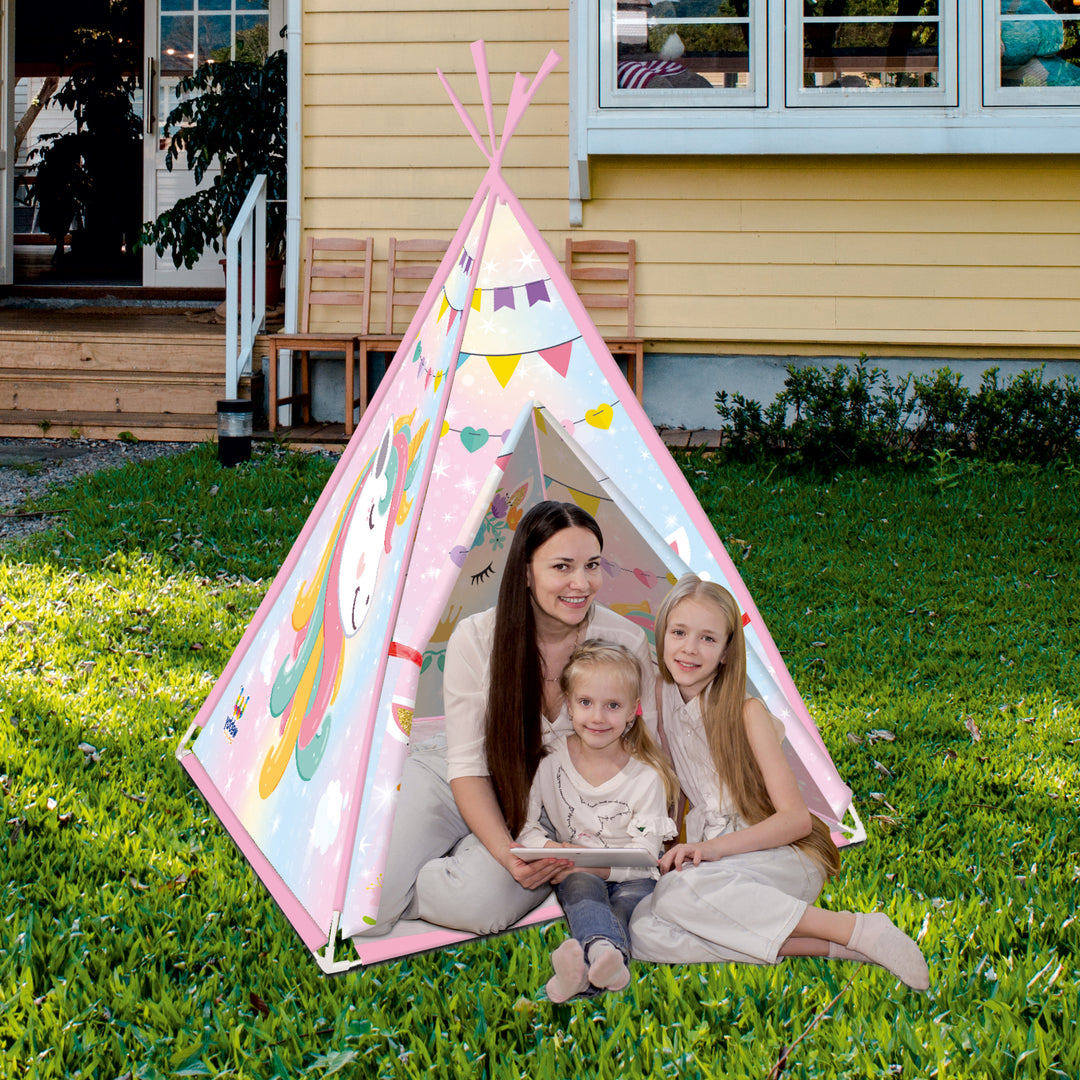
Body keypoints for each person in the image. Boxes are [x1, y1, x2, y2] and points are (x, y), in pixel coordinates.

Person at [362, 501, 658, 937]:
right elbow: (466, 765)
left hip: (545, 807)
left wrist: (578, 840)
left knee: (480, 906)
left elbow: (642, 752)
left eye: (592, 565)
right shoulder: (478, 637)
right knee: (372, 904)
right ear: (525, 572)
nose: (582, 583)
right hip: (459, 777)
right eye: (562, 566)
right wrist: (505, 851)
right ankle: (408, 858)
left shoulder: (624, 641)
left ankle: (443, 857)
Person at [629, 575, 930, 991]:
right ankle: (838, 947)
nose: (689, 649)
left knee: (678, 896)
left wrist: (708, 850)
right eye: (678, 632)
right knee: (643, 930)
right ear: (662, 633)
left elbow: (795, 822)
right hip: (718, 866)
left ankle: (852, 927)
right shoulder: (664, 696)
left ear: (727, 652)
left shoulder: (745, 712)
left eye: (708, 639)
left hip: (781, 855)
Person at [516, 640, 677, 1001]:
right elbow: (526, 828)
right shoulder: (549, 760)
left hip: (634, 879)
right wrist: (554, 851)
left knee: (628, 910)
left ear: (633, 712)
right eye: (586, 702)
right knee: (581, 891)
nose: (598, 717)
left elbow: (645, 854)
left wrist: (601, 869)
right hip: (578, 872)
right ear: (569, 706)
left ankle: (586, 971)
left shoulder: (646, 776)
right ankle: (604, 959)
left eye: (613, 706)